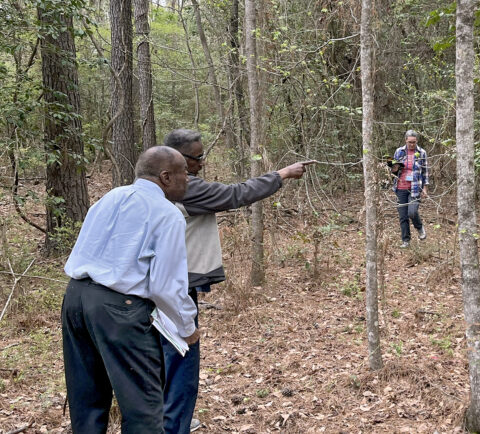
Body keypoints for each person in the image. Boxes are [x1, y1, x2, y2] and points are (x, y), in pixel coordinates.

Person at [160, 129, 308, 434]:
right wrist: (282, 174)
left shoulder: (154, 185)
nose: (202, 163)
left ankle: (170, 420)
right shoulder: (184, 188)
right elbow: (236, 194)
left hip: (158, 285)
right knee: (181, 357)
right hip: (175, 288)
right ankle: (174, 425)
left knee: (164, 358)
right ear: (178, 160)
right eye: (197, 158)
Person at [62, 146, 200, 434]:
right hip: (120, 311)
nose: (188, 180)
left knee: (87, 403)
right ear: (165, 177)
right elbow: (166, 287)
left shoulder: (110, 198)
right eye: (184, 174)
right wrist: (187, 326)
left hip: (75, 299)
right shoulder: (167, 214)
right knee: (143, 411)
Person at [391, 130, 428, 248]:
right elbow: (393, 170)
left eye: (414, 142)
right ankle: (405, 240)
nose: (412, 144)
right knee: (403, 216)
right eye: (410, 142)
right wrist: (394, 168)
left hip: (415, 187)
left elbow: (425, 171)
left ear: (416, 141)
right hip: (401, 187)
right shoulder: (399, 151)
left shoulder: (421, 152)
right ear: (406, 140)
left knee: (412, 212)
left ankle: (420, 227)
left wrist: (425, 188)